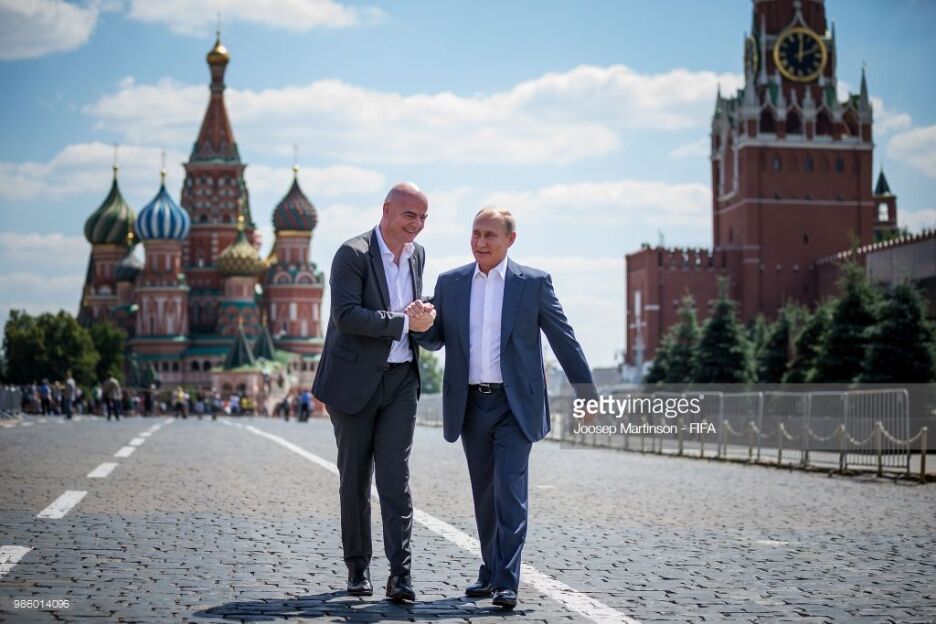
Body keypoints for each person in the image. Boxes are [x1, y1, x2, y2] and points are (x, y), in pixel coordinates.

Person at [409, 207, 596, 610]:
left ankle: (506, 581)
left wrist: (586, 392)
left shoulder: (534, 283)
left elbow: (564, 338)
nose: (480, 242)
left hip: (515, 405)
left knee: (509, 491)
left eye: (490, 235)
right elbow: (436, 338)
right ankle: (491, 568)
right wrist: (420, 327)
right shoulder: (451, 282)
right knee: (485, 494)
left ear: (510, 240)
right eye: (475, 233)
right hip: (470, 404)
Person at [311, 183, 432, 602]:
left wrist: (423, 313)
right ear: (387, 210)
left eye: (423, 217)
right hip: (353, 382)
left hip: (401, 380)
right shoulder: (352, 253)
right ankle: (358, 567)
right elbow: (346, 316)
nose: (416, 225)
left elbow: (409, 312)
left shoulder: (417, 255)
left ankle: (401, 575)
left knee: (396, 479)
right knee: (356, 479)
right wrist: (403, 322)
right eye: (410, 215)